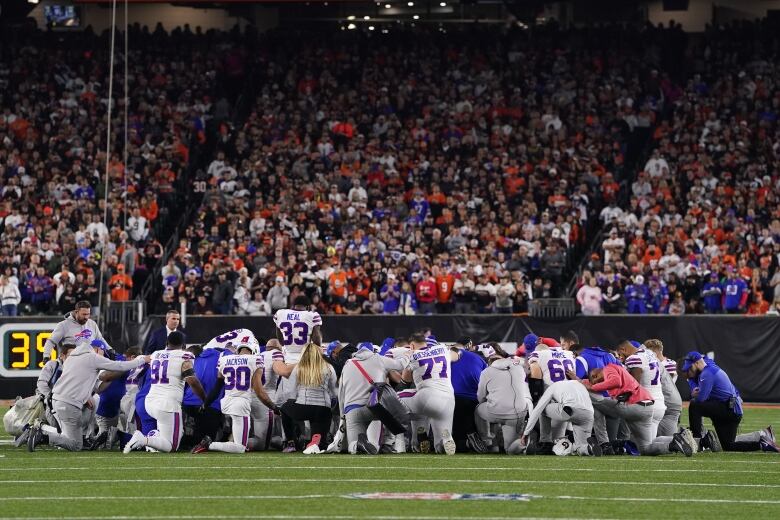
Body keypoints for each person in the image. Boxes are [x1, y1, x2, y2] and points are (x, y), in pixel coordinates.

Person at [27, 341, 149, 452]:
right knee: (75, 445)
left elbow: (86, 383)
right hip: (68, 403)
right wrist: (142, 360)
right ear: (96, 349)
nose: (103, 354)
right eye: (102, 351)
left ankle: (79, 436)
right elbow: (119, 366)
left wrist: (87, 396)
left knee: (81, 420)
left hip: (58, 400)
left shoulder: (72, 358)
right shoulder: (92, 358)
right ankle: (42, 434)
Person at [570, 363, 695, 457]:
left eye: (594, 380)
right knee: (646, 448)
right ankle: (674, 442)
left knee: (596, 400)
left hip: (633, 406)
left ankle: (603, 443)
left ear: (595, 375)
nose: (596, 384)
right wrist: (582, 381)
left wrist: (590, 387)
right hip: (646, 409)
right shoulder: (617, 371)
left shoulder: (609, 368)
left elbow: (615, 381)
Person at [123, 331, 207, 453]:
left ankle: (152, 438)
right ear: (183, 345)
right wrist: (204, 399)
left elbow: (143, 359)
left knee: (176, 432)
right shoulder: (185, 356)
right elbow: (192, 381)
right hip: (168, 404)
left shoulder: (156, 354)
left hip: (150, 402)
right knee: (171, 446)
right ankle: (143, 439)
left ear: (167, 343)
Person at [192, 342, 279, 454]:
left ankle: (220, 443)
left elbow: (217, 387)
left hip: (227, 403)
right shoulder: (255, 359)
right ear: (253, 351)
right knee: (240, 447)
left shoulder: (224, 359)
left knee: (240, 441)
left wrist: (205, 404)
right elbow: (259, 391)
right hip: (241, 404)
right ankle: (209, 444)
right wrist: (273, 406)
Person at [683, 352, 778, 452]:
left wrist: (693, 390)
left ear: (697, 363)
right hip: (732, 410)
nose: (689, 370)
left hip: (728, 410)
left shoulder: (707, 373)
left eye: (690, 367)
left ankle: (696, 441)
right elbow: (705, 360)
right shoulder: (709, 365)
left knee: (695, 405)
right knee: (728, 446)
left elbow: (701, 399)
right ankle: (762, 444)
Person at [339, 342, 407, 454]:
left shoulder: (348, 364)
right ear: (372, 351)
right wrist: (407, 355)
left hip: (352, 409)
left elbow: (341, 393)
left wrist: (343, 416)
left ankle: (358, 444)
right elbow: (400, 365)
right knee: (391, 407)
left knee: (353, 447)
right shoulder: (379, 359)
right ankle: (391, 443)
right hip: (374, 408)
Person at [399, 333, 457, 455]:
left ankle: (412, 441)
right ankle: (444, 441)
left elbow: (406, 379)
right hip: (448, 400)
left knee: (395, 397)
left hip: (427, 395)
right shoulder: (442, 348)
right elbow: (456, 356)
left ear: (412, 345)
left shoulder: (413, 355)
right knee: (441, 438)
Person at [280, 342, 338, 453]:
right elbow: (334, 392)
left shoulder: (298, 367)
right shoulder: (328, 367)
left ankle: (291, 442)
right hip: (322, 409)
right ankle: (316, 441)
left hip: (303, 407)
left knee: (284, 408)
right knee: (320, 446)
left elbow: (291, 392)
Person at [474, 346, 529, 455]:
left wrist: (491, 398)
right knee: (510, 450)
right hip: (518, 413)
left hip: (496, 412)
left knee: (478, 409)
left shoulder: (487, 371)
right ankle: (524, 442)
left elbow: (480, 397)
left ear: (490, 362)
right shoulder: (518, 368)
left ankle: (488, 442)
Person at [522, 380, 600, 456]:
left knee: (542, 409)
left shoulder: (551, 388)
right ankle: (589, 449)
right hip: (588, 415)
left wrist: (526, 433)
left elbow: (537, 410)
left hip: (569, 409)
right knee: (579, 447)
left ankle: (545, 443)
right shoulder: (578, 384)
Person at [615, 340, 666, 435]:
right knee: (648, 444)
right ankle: (673, 442)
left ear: (623, 349)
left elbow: (634, 385)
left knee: (614, 407)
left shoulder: (634, 358)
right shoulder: (649, 353)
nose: (620, 357)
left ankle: (673, 443)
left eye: (620, 354)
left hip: (646, 405)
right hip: (659, 403)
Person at [449, 345, 488, 452]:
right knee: (469, 420)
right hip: (475, 399)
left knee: (456, 435)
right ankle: (474, 436)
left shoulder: (447, 357)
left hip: (453, 398)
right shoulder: (479, 358)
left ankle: (466, 443)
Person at [644, 339, 681, 436]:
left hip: (667, 399)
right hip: (660, 399)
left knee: (668, 436)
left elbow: (664, 383)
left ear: (655, 350)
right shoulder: (653, 363)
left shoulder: (669, 364)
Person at [273, 295, 323, 364]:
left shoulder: (281, 313)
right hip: (305, 358)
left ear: (293, 305)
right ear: (308, 307)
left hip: (288, 358)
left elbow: (280, 339)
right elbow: (317, 341)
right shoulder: (312, 315)